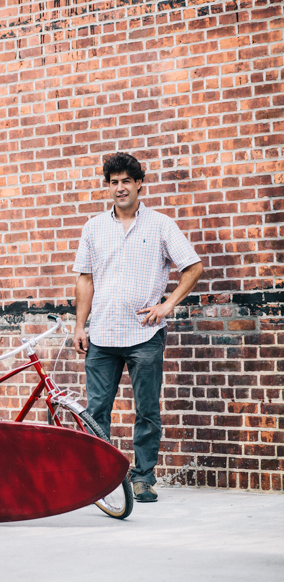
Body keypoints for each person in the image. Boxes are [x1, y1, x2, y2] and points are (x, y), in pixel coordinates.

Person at [73, 153, 203, 502]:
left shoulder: (160, 224)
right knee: (97, 411)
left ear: (138, 183)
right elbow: (85, 280)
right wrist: (79, 326)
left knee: (147, 410)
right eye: (113, 182)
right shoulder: (93, 227)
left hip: (144, 336)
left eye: (126, 181)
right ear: (109, 186)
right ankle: (100, 479)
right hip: (101, 334)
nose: (119, 188)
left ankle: (144, 477)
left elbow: (192, 267)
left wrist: (167, 305)